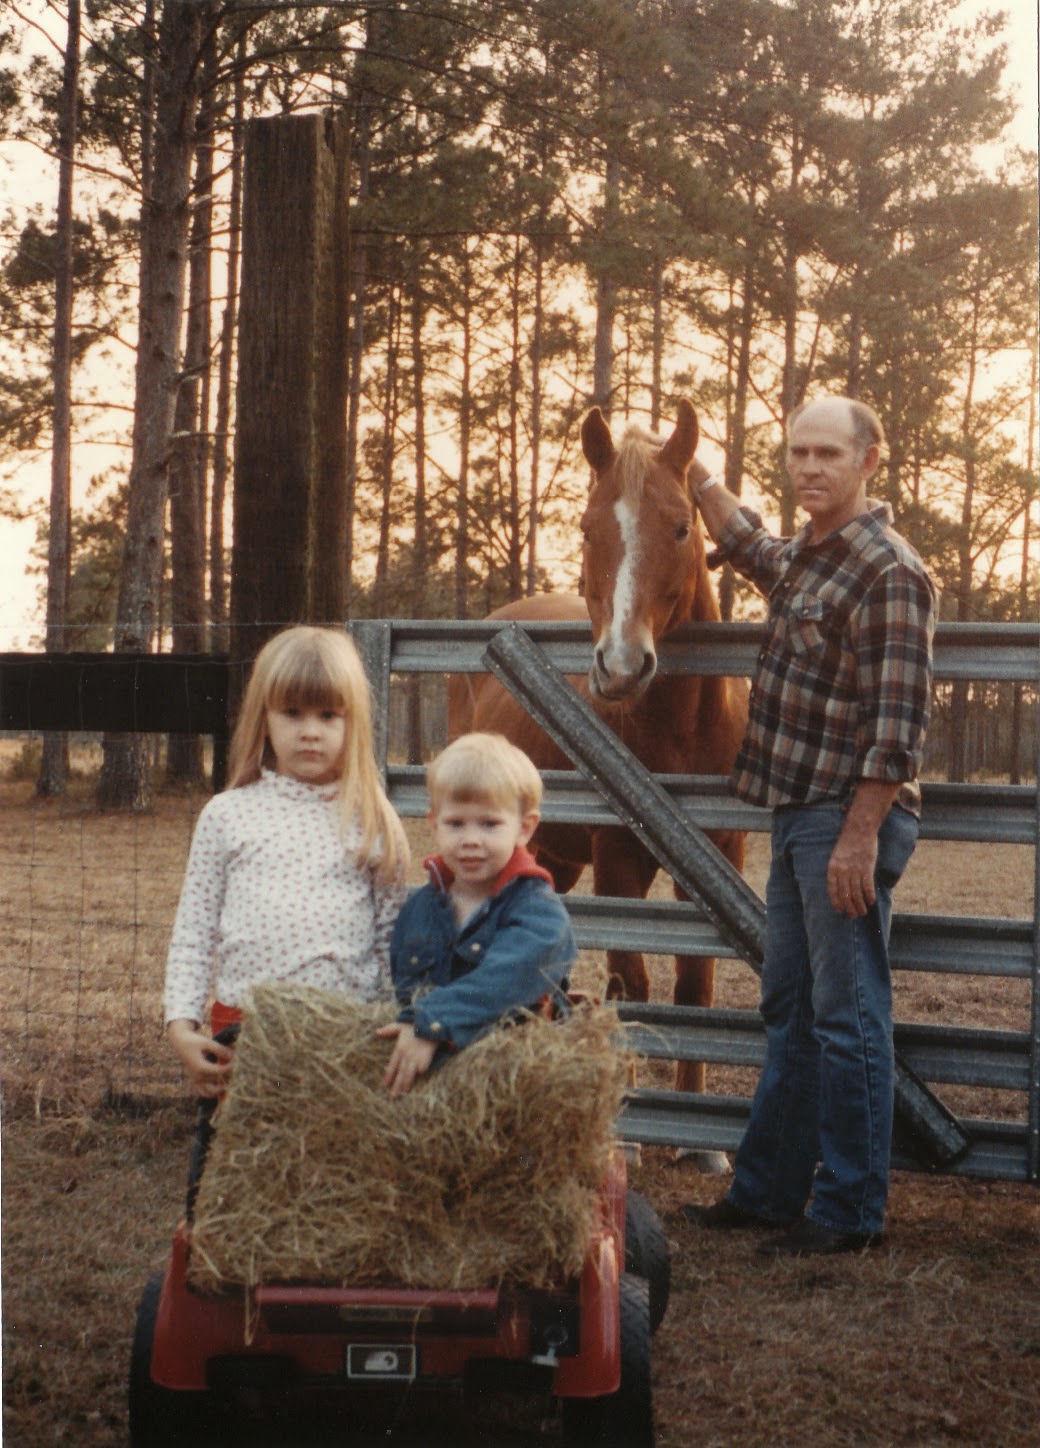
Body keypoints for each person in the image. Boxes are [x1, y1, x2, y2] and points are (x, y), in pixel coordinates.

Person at [682, 396, 937, 1257]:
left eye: (827, 453)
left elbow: (896, 728)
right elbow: (750, 543)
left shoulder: (889, 571)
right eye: (797, 453)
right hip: (801, 813)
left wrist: (859, 836)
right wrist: (696, 479)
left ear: (871, 461)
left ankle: (849, 1210)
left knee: (846, 1013)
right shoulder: (807, 559)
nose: (808, 468)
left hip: (846, 818)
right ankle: (764, 1193)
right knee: (790, 1006)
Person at [164, 626, 410, 1198]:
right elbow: (194, 932)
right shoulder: (228, 815)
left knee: (330, 1189)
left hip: (343, 1043)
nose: (309, 731)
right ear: (263, 718)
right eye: (293, 712)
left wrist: (400, 1024)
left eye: (329, 715)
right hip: (242, 1038)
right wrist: (181, 1025)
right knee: (230, 1191)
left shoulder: (373, 819)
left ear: (354, 724)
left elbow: (395, 940)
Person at [377, 732, 576, 1097]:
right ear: (434, 825)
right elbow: (399, 990)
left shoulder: (539, 912)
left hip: (512, 1089)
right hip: (433, 1091)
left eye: (489, 824)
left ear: (524, 828)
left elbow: (508, 977)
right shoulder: (419, 910)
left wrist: (431, 1023)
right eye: (456, 824)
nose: (471, 839)